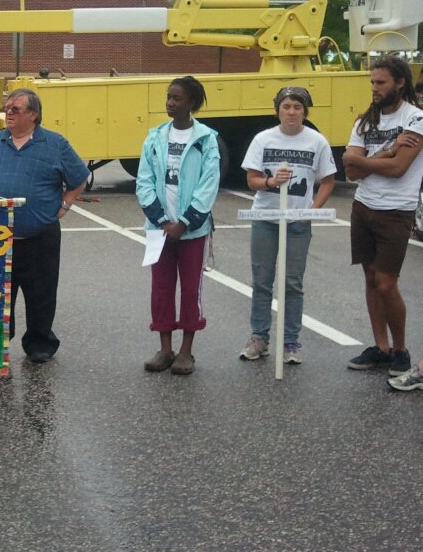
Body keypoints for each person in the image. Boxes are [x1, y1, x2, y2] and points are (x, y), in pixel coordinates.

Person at [0, 89, 89, 363]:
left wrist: (65, 205)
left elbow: (79, 178)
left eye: (16, 108)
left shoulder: (55, 144)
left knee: (41, 293)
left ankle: (39, 343)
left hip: (39, 237)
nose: (8, 112)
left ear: (33, 114)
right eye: (7, 107)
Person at [239, 86, 336, 364]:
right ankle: (259, 337)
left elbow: (328, 180)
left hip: (297, 222)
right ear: (277, 109)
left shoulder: (316, 141)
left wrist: (313, 210)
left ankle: (291, 342)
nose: (291, 111)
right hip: (265, 218)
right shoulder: (263, 139)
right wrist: (271, 182)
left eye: (297, 107)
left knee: (292, 282)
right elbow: (252, 180)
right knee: (262, 281)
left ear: (305, 111)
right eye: (286, 106)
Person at [342, 55, 423, 376]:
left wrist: (367, 160)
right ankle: (381, 348)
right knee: (370, 279)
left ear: (400, 83)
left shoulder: (416, 119)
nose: (374, 88)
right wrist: (388, 150)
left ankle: (400, 350)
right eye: (372, 83)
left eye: (381, 82)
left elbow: (399, 169)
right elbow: (349, 171)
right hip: (363, 208)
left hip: (396, 212)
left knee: (387, 284)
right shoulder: (364, 122)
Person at [136, 76, 220, 375]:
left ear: (192, 103)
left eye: (177, 98)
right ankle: (165, 348)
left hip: (192, 231)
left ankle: (186, 351)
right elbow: (144, 181)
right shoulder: (155, 137)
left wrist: (184, 223)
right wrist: (161, 219)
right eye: (169, 97)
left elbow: (209, 185)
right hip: (159, 229)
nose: (170, 102)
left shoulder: (206, 139)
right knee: (161, 288)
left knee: (190, 289)